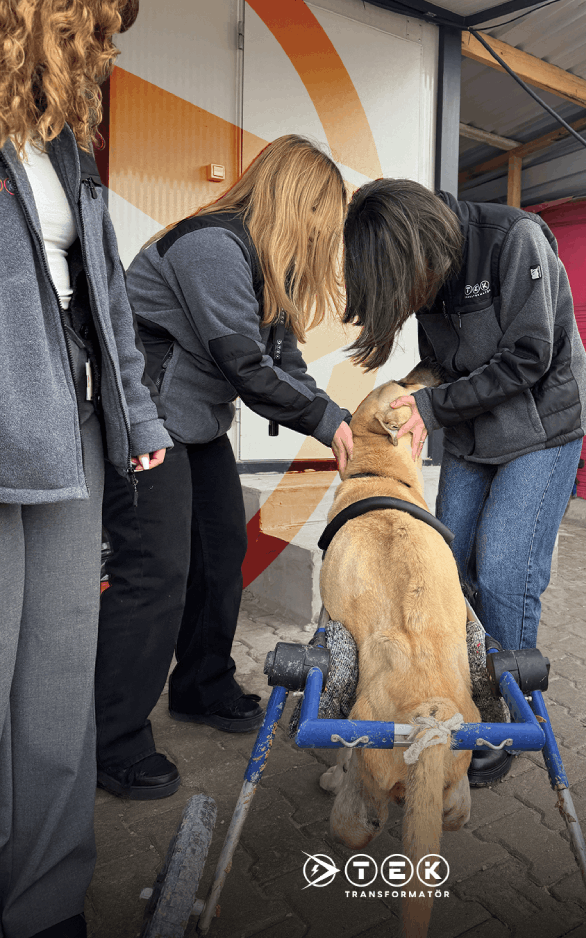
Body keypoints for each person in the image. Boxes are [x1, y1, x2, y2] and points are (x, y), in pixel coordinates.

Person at [95, 135, 354, 799]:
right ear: (295, 201)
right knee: (154, 573)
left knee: (220, 555)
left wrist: (338, 419)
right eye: (323, 216)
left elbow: (284, 364)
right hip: (149, 421)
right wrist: (328, 424)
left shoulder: (264, 265)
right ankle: (111, 739)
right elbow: (246, 367)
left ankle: (201, 686)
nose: (324, 234)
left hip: (198, 424)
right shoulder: (211, 245)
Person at [0, 2, 171, 935]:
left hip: (69, 420)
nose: (102, 47)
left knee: (59, 679)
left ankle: (45, 902)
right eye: (91, 23)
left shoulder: (65, 136)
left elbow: (102, 285)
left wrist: (134, 408)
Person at [342, 178, 586, 785]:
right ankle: (453, 698)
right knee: (446, 564)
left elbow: (530, 355)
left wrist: (431, 408)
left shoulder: (513, 240)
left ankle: (499, 723)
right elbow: (442, 366)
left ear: (418, 246)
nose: (410, 300)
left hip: (540, 429)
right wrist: (405, 395)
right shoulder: (432, 273)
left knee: (503, 569)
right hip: (475, 430)